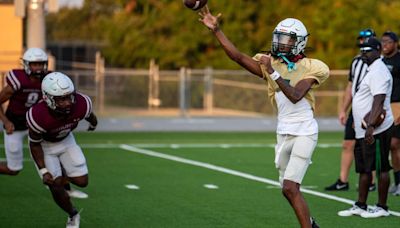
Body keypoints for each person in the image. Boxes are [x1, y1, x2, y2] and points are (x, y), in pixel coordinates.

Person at [199, 6, 329, 228]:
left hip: (304, 129)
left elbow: (296, 95)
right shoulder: (271, 62)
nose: (280, 43)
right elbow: (238, 57)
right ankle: (311, 224)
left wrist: (273, 72)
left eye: (286, 39)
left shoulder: (313, 66)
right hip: (283, 130)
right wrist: (217, 31)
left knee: (290, 187)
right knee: (286, 190)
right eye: (278, 37)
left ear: (298, 42)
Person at [0, 48, 88, 199]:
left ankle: (65, 188)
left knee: (59, 154)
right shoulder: (17, 81)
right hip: (16, 125)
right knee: (13, 169)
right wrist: (6, 121)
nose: (38, 68)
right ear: (26, 65)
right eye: (34, 64)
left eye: (41, 64)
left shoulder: (50, 79)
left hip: (40, 125)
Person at [27, 72, 98, 228]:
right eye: (61, 99)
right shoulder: (37, 115)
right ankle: (73, 214)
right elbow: (34, 144)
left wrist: (93, 124)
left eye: (69, 97)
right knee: (55, 186)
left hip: (66, 140)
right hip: (45, 146)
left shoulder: (81, 103)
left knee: (82, 181)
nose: (67, 103)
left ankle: (60, 178)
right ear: (47, 98)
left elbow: (89, 114)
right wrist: (43, 170)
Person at [338, 37, 393, 218]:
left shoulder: (379, 71)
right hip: (364, 128)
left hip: (377, 129)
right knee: (363, 168)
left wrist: (370, 126)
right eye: (362, 50)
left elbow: (379, 100)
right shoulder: (371, 70)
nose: (364, 53)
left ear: (378, 50)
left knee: (381, 167)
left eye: (368, 50)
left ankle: (382, 207)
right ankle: (361, 204)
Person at [325, 29, 376, 192]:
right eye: (361, 39)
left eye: (366, 39)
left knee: (369, 145)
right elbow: (350, 86)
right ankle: (343, 180)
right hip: (356, 109)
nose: (363, 42)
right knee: (348, 144)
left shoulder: (378, 62)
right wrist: (343, 109)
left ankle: (371, 181)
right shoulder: (355, 61)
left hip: (371, 109)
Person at [381, 31, 400, 196]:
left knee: (395, 144)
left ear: (396, 43)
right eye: (382, 41)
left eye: (388, 41)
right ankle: (397, 181)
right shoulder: (380, 61)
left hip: (398, 105)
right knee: (390, 146)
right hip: (385, 106)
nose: (384, 44)